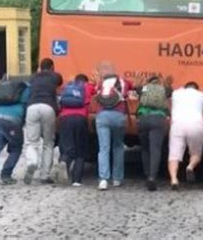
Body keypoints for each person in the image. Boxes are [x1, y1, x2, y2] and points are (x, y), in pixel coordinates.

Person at [23, 58, 63, 185]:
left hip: (32, 107)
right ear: (52, 67)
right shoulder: (55, 76)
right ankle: (44, 175)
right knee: (48, 142)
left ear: (39, 67)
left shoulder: (33, 77)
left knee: (31, 142)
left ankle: (32, 162)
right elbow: (59, 84)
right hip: (48, 107)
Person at [0, 81, 31, 187]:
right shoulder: (27, 90)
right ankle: (6, 175)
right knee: (16, 149)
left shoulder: (5, 91)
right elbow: (28, 107)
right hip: (13, 121)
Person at [94, 61, 132, 190]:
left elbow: (96, 94)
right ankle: (117, 179)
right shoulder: (123, 82)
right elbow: (132, 91)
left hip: (102, 116)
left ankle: (103, 179)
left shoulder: (101, 83)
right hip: (118, 116)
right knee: (118, 147)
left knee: (104, 148)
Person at [54, 74, 95, 186]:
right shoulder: (88, 87)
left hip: (65, 118)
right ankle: (76, 180)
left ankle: (63, 162)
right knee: (80, 150)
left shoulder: (67, 87)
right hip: (80, 118)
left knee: (67, 147)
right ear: (85, 81)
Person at [168, 81, 203, 190]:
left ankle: (173, 179)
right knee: (196, 152)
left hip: (177, 124)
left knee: (174, 155)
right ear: (196, 88)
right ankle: (190, 166)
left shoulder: (176, 93)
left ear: (184, 87)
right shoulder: (201, 95)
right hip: (195, 125)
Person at [136, 75, 171, 191]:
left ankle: (146, 174)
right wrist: (167, 83)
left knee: (145, 148)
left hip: (143, 118)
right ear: (158, 82)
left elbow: (137, 89)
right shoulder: (163, 89)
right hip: (158, 119)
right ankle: (152, 177)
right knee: (155, 149)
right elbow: (169, 92)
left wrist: (139, 82)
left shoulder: (145, 88)